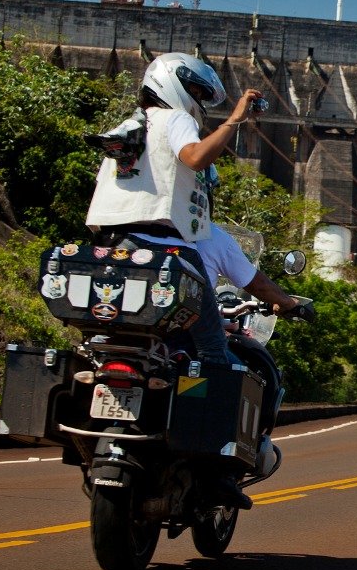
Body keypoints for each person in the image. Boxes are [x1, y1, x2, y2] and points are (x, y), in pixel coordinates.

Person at [85, 51, 266, 366]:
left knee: (111, 333)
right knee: (213, 351)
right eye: (195, 92)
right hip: (170, 254)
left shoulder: (130, 129)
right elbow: (195, 157)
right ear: (172, 83)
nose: (197, 101)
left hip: (115, 248)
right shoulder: (176, 118)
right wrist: (235, 120)